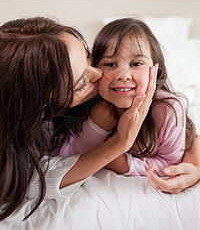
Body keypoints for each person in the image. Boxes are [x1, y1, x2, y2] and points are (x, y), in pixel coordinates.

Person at [0, 17, 199, 223]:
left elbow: (179, 133)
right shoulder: (42, 124)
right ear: (42, 103)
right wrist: (115, 141)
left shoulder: (161, 106)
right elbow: (41, 173)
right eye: (80, 83)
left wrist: (195, 162)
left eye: (87, 56)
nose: (99, 74)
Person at [60, 18, 196, 177]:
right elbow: (65, 157)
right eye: (110, 64)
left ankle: (191, 90)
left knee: (188, 95)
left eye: (136, 64)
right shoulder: (87, 103)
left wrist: (120, 162)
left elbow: (170, 163)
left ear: (155, 69)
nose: (123, 75)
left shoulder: (168, 109)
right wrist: (96, 127)